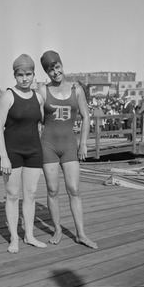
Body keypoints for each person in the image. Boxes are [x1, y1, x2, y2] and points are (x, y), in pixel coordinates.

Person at [37, 50, 97, 249]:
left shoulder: (76, 89)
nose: (55, 73)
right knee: (53, 190)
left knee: (74, 189)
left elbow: (86, 117)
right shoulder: (43, 91)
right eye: (50, 70)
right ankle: (57, 229)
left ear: (62, 65)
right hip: (48, 146)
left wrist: (83, 143)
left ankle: (80, 233)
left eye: (57, 67)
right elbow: (37, 121)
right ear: (46, 73)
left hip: (70, 145)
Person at [0, 54, 47, 253]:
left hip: (34, 151)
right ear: (14, 75)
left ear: (34, 74)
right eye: (20, 75)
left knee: (31, 194)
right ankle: (14, 238)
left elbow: (41, 125)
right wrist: (4, 156)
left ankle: (30, 235)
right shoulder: (7, 96)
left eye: (28, 74)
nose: (25, 78)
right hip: (12, 152)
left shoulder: (38, 97)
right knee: (13, 194)